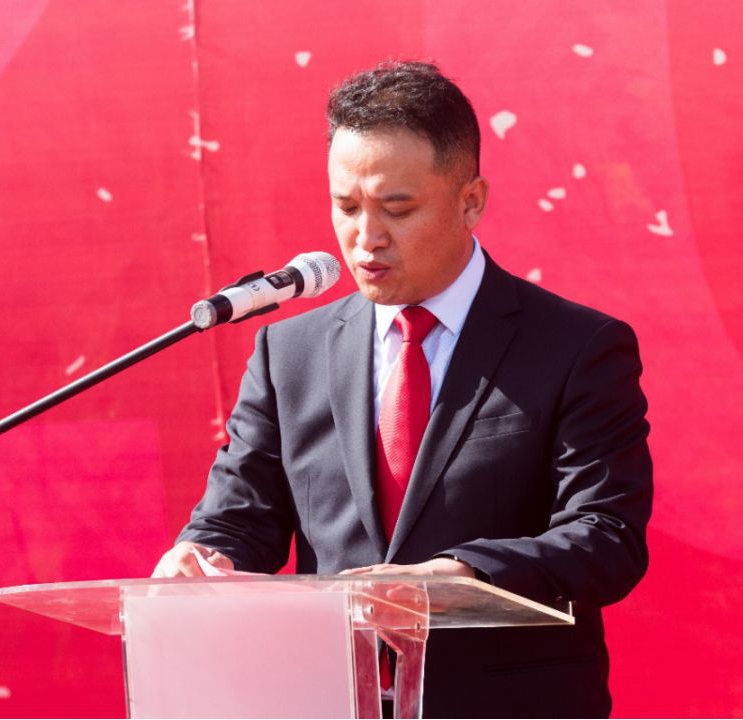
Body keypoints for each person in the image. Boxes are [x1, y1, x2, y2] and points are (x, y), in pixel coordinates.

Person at [154, 61, 652, 718]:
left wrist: (462, 576)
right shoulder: (289, 352)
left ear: (470, 201)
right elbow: (240, 515)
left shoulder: (575, 347)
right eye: (346, 207)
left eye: (397, 208)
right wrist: (202, 556)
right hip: (329, 697)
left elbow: (605, 536)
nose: (366, 238)